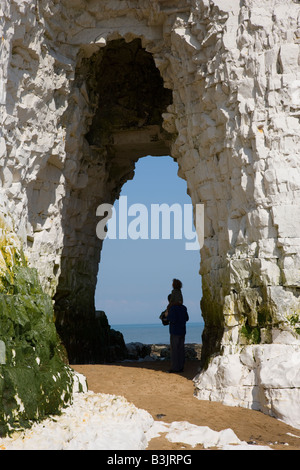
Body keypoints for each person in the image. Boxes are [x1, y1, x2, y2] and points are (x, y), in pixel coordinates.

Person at [166, 303, 189, 373]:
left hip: (175, 332)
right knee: (181, 350)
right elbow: (187, 318)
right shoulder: (184, 307)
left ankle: (175, 368)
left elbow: (172, 319)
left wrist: (167, 315)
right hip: (182, 331)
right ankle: (181, 367)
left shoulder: (173, 308)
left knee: (175, 350)